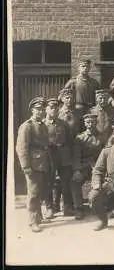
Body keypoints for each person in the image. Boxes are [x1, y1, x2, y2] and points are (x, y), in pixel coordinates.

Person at [16, 97, 51, 233]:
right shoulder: (27, 126)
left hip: (43, 163)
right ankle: (32, 221)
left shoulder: (43, 125)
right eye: (38, 109)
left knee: (41, 191)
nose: (41, 111)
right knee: (33, 193)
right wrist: (26, 167)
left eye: (42, 109)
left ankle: (38, 216)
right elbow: (21, 148)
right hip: (33, 165)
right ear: (32, 110)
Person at [71, 114, 108, 220]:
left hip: (99, 167)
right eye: (88, 122)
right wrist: (77, 170)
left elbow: (105, 154)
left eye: (92, 122)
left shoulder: (102, 137)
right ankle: (79, 209)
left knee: (105, 182)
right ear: (85, 123)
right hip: (84, 167)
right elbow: (76, 156)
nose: (90, 125)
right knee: (75, 181)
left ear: (96, 123)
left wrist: (102, 168)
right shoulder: (80, 138)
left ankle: (99, 207)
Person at [44, 98, 74, 218]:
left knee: (65, 182)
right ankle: (50, 208)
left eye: (56, 108)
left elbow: (70, 141)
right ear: (46, 109)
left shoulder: (64, 124)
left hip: (64, 156)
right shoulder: (43, 124)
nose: (54, 110)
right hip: (49, 156)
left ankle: (67, 207)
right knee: (49, 182)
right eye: (51, 108)